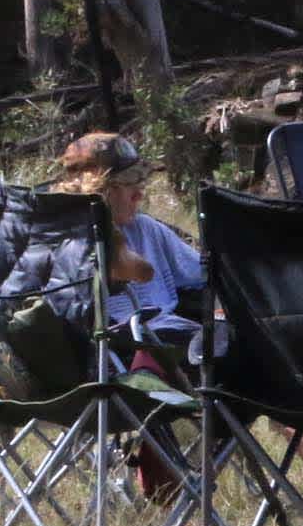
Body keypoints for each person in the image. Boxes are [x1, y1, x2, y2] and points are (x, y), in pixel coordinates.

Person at [52, 131, 206, 365]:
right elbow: (142, 272)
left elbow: (203, 273)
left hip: (159, 337)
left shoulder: (144, 227)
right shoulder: (64, 239)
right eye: (128, 184)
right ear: (99, 189)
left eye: (140, 182)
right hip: (130, 346)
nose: (139, 195)